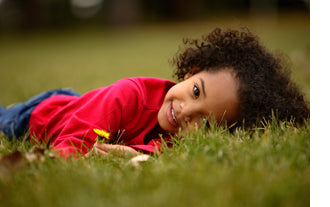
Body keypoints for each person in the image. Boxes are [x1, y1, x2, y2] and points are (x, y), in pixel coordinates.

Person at [0, 27, 309, 158]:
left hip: (88, 109)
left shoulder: (185, 139)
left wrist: (138, 154)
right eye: (196, 92)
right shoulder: (129, 94)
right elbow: (71, 143)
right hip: (38, 118)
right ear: (192, 71)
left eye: (205, 122)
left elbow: (166, 151)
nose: (186, 112)